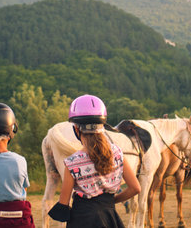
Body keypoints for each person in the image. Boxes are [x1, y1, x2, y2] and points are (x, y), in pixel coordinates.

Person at [48, 94, 141, 227]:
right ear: (102, 125)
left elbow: (64, 203)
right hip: (109, 217)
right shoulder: (117, 153)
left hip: (82, 220)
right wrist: (110, 202)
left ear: (76, 129)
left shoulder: (72, 163)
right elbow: (135, 188)